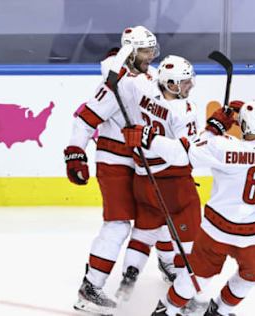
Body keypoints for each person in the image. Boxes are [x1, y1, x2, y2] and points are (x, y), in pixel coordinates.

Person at [122, 100, 255, 316]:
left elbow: (180, 154)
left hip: (216, 231)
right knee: (254, 273)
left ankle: (166, 310)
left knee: (197, 276)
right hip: (254, 234)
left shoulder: (221, 146)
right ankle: (221, 310)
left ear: (241, 125)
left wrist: (151, 138)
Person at [64, 25, 175, 315]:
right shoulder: (115, 82)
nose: (151, 55)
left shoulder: (147, 77)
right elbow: (86, 118)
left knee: (158, 213)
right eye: (145, 50)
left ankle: (169, 263)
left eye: (153, 49)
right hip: (114, 163)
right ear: (130, 51)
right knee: (118, 225)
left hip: (141, 161)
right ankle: (90, 288)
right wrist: (75, 154)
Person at [115, 53, 204, 305]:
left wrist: (123, 57)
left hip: (143, 179)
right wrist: (215, 132)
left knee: (144, 231)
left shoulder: (146, 91)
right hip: (172, 184)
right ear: (171, 85)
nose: (190, 86)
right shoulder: (184, 110)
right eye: (184, 82)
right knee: (188, 242)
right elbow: (184, 156)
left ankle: (129, 275)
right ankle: (184, 294)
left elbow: (123, 76)